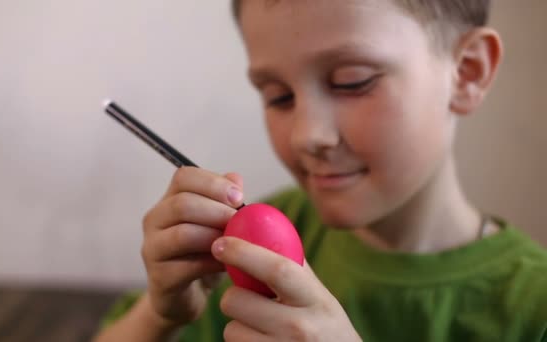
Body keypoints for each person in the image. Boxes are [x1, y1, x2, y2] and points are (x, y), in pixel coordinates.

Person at [94, 1, 547, 341]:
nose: (306, 136)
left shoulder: (532, 309)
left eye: (353, 81)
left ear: (466, 74)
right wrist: (161, 314)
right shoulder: (242, 253)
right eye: (278, 96)